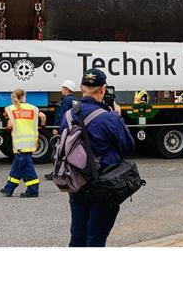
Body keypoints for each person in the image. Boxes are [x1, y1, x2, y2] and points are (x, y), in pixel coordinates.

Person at [65, 68, 135, 247]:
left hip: (77, 184)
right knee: (96, 238)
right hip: (103, 188)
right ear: (103, 90)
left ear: (81, 87)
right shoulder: (108, 118)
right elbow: (128, 147)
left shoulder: (68, 116)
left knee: (77, 236)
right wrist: (117, 116)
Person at [1, 89, 46, 198]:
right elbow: (43, 116)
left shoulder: (10, 109)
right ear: (24, 96)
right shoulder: (33, 108)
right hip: (31, 142)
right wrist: (43, 125)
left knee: (26, 167)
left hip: (20, 143)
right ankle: (9, 188)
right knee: (17, 166)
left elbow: (10, 125)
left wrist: (8, 128)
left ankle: (33, 189)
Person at [45, 80, 79, 181]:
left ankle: (57, 172)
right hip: (72, 128)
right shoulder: (75, 100)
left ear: (66, 89)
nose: (61, 90)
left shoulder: (66, 100)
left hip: (64, 129)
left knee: (59, 151)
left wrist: (56, 127)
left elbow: (61, 115)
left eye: (63, 88)